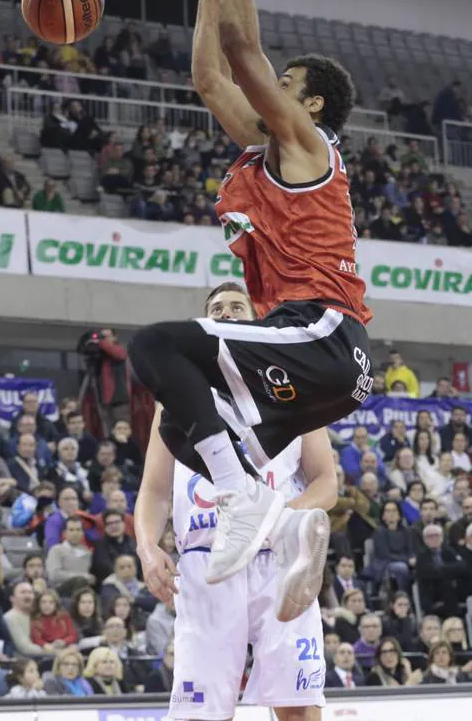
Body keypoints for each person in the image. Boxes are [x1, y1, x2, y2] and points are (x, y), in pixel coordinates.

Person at [125, 0, 371, 605]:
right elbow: (211, 82)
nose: (272, 90)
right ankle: (291, 531)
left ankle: (242, 497)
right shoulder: (272, 151)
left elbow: (240, 50)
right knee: (177, 430)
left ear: (311, 103)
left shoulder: (306, 142)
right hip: (321, 360)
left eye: (285, 83)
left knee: (153, 346)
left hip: (321, 331)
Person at [136, 282, 337, 721]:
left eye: (235, 306)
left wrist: (279, 519)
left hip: (278, 560)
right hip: (208, 562)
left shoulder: (290, 388)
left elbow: (326, 482)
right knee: (199, 713)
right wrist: (148, 547)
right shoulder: (173, 394)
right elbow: (153, 490)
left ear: (257, 320)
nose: (226, 313)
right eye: (216, 309)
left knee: (298, 708)